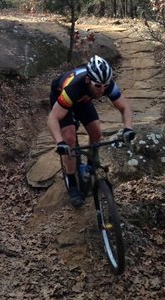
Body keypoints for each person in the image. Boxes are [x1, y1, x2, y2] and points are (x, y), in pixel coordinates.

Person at [47, 55, 135, 208]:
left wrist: (128, 128)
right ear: (88, 80)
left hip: (83, 99)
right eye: (98, 86)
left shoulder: (105, 85)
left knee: (96, 133)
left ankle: (89, 167)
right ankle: (72, 183)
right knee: (69, 137)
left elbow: (124, 107)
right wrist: (59, 142)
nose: (102, 90)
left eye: (105, 86)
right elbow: (52, 118)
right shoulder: (73, 89)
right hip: (63, 96)